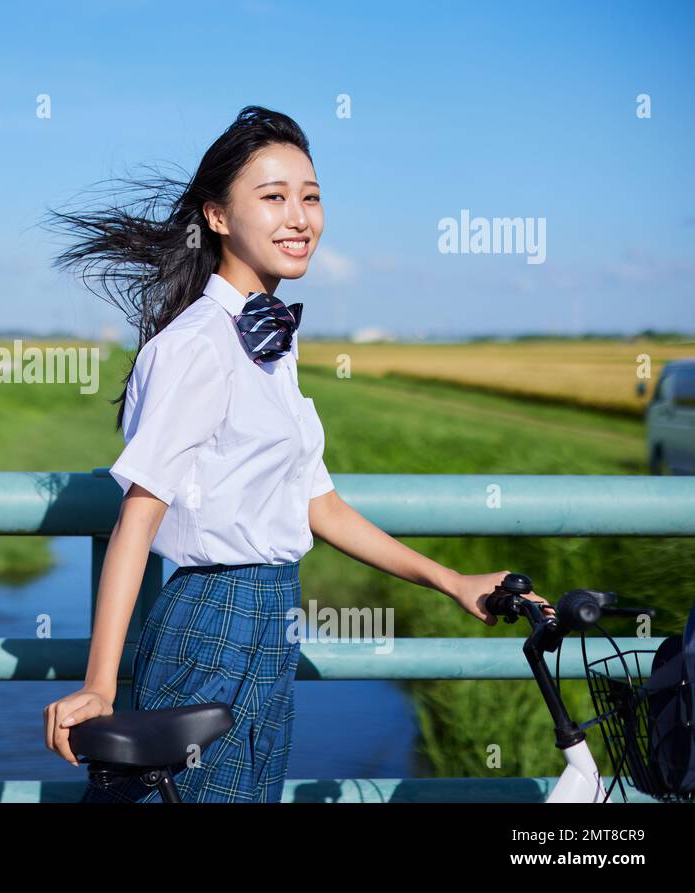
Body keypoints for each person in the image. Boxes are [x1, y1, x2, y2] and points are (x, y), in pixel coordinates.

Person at [40, 105, 554, 802]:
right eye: (273, 196)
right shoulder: (201, 345)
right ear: (217, 217)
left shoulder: (270, 343)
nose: (300, 217)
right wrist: (100, 684)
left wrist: (450, 580)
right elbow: (139, 515)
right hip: (213, 623)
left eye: (310, 196)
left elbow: (321, 504)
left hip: (269, 618)